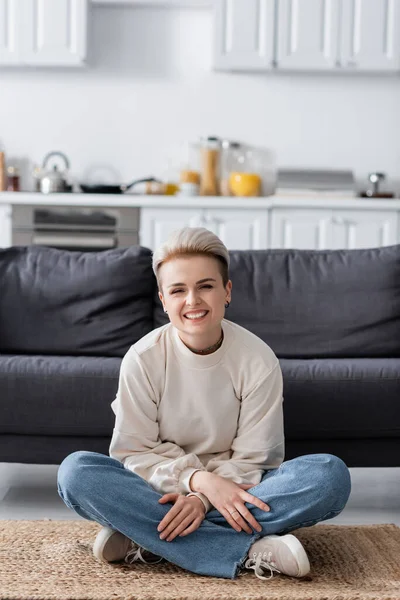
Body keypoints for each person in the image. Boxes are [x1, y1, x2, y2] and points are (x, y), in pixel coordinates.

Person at [57, 227, 352, 581]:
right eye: (178, 290)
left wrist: (205, 499)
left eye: (206, 286)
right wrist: (196, 481)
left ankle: (148, 537)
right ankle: (249, 550)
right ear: (164, 300)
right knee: (76, 473)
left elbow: (254, 458)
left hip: (240, 486)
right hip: (160, 490)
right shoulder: (143, 359)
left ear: (226, 292)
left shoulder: (258, 360)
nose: (193, 300)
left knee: (328, 477)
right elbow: (132, 453)